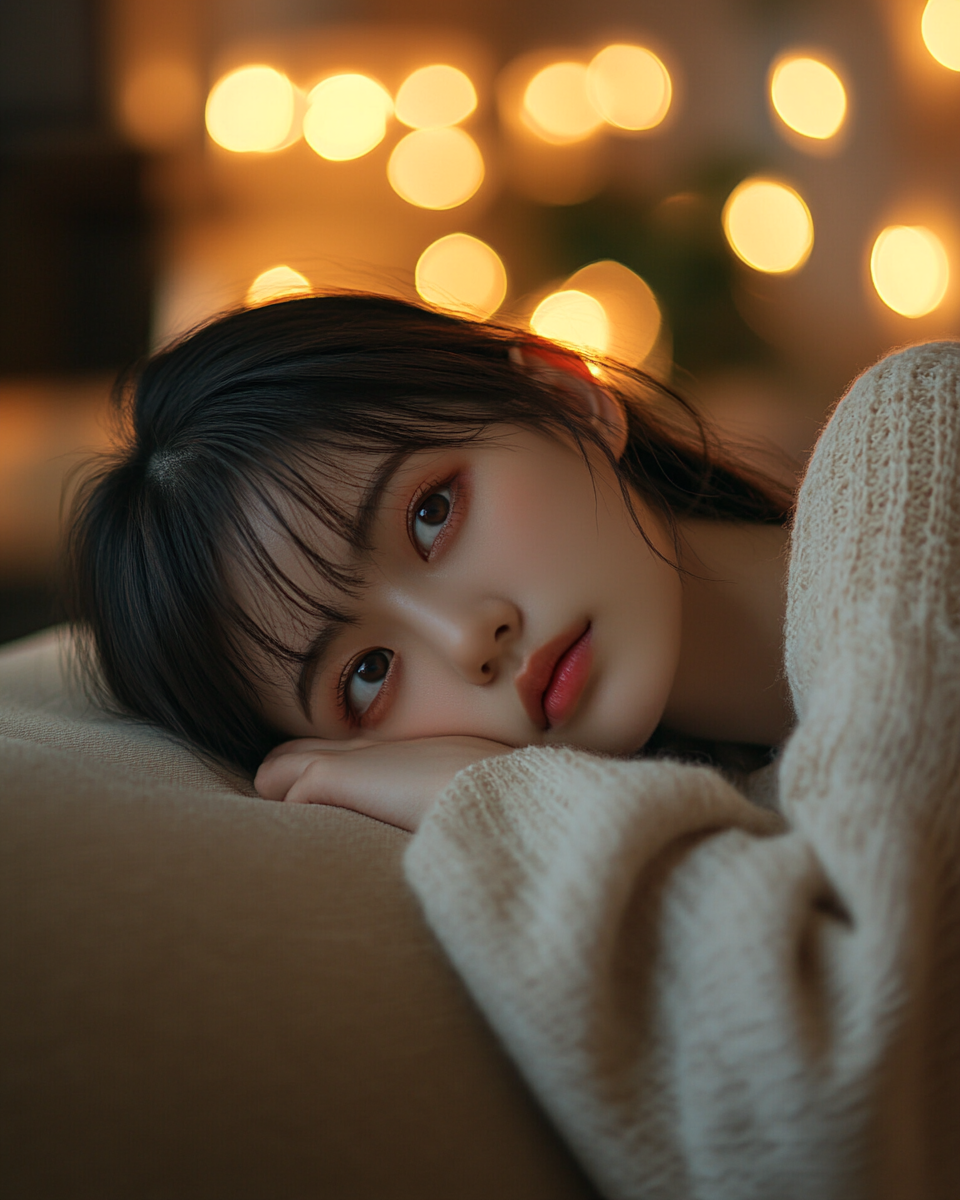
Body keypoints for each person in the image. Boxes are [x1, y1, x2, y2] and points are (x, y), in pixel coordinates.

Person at [66, 293, 960, 1198]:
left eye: (430, 513)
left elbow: (850, 1088)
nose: (467, 640)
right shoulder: (742, 826)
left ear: (569, 395)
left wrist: (487, 798)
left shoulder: (926, 436)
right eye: (368, 675)